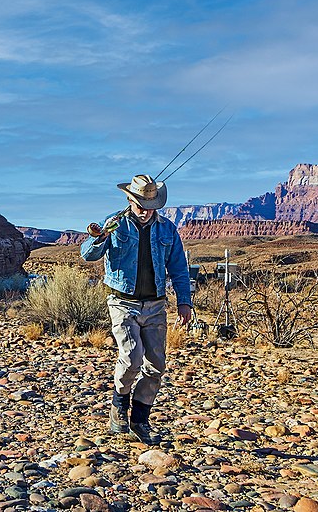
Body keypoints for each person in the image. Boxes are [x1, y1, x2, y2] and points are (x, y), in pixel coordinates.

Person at [80, 174, 192, 444]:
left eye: (150, 204)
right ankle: (119, 402)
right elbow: (88, 254)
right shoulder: (114, 224)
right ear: (129, 199)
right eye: (140, 203)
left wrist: (185, 301)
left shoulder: (167, 229)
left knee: (156, 364)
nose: (145, 210)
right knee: (131, 357)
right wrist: (100, 237)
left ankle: (140, 420)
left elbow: (179, 268)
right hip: (122, 302)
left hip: (156, 305)